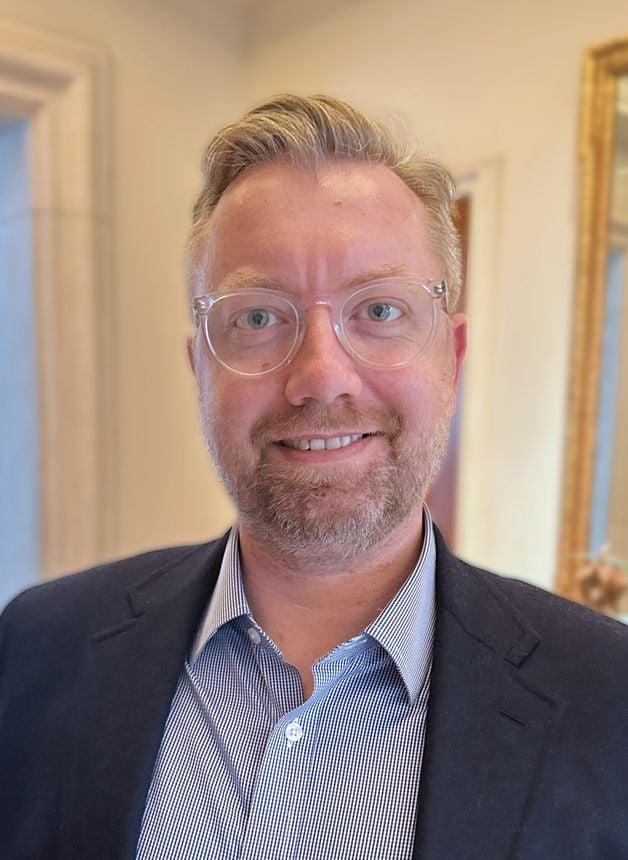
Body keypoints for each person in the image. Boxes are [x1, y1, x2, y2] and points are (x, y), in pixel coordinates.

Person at [1, 95, 627, 860]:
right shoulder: (36, 649)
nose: (321, 377)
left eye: (381, 310)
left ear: (452, 359)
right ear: (200, 367)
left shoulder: (608, 700)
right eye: (258, 317)